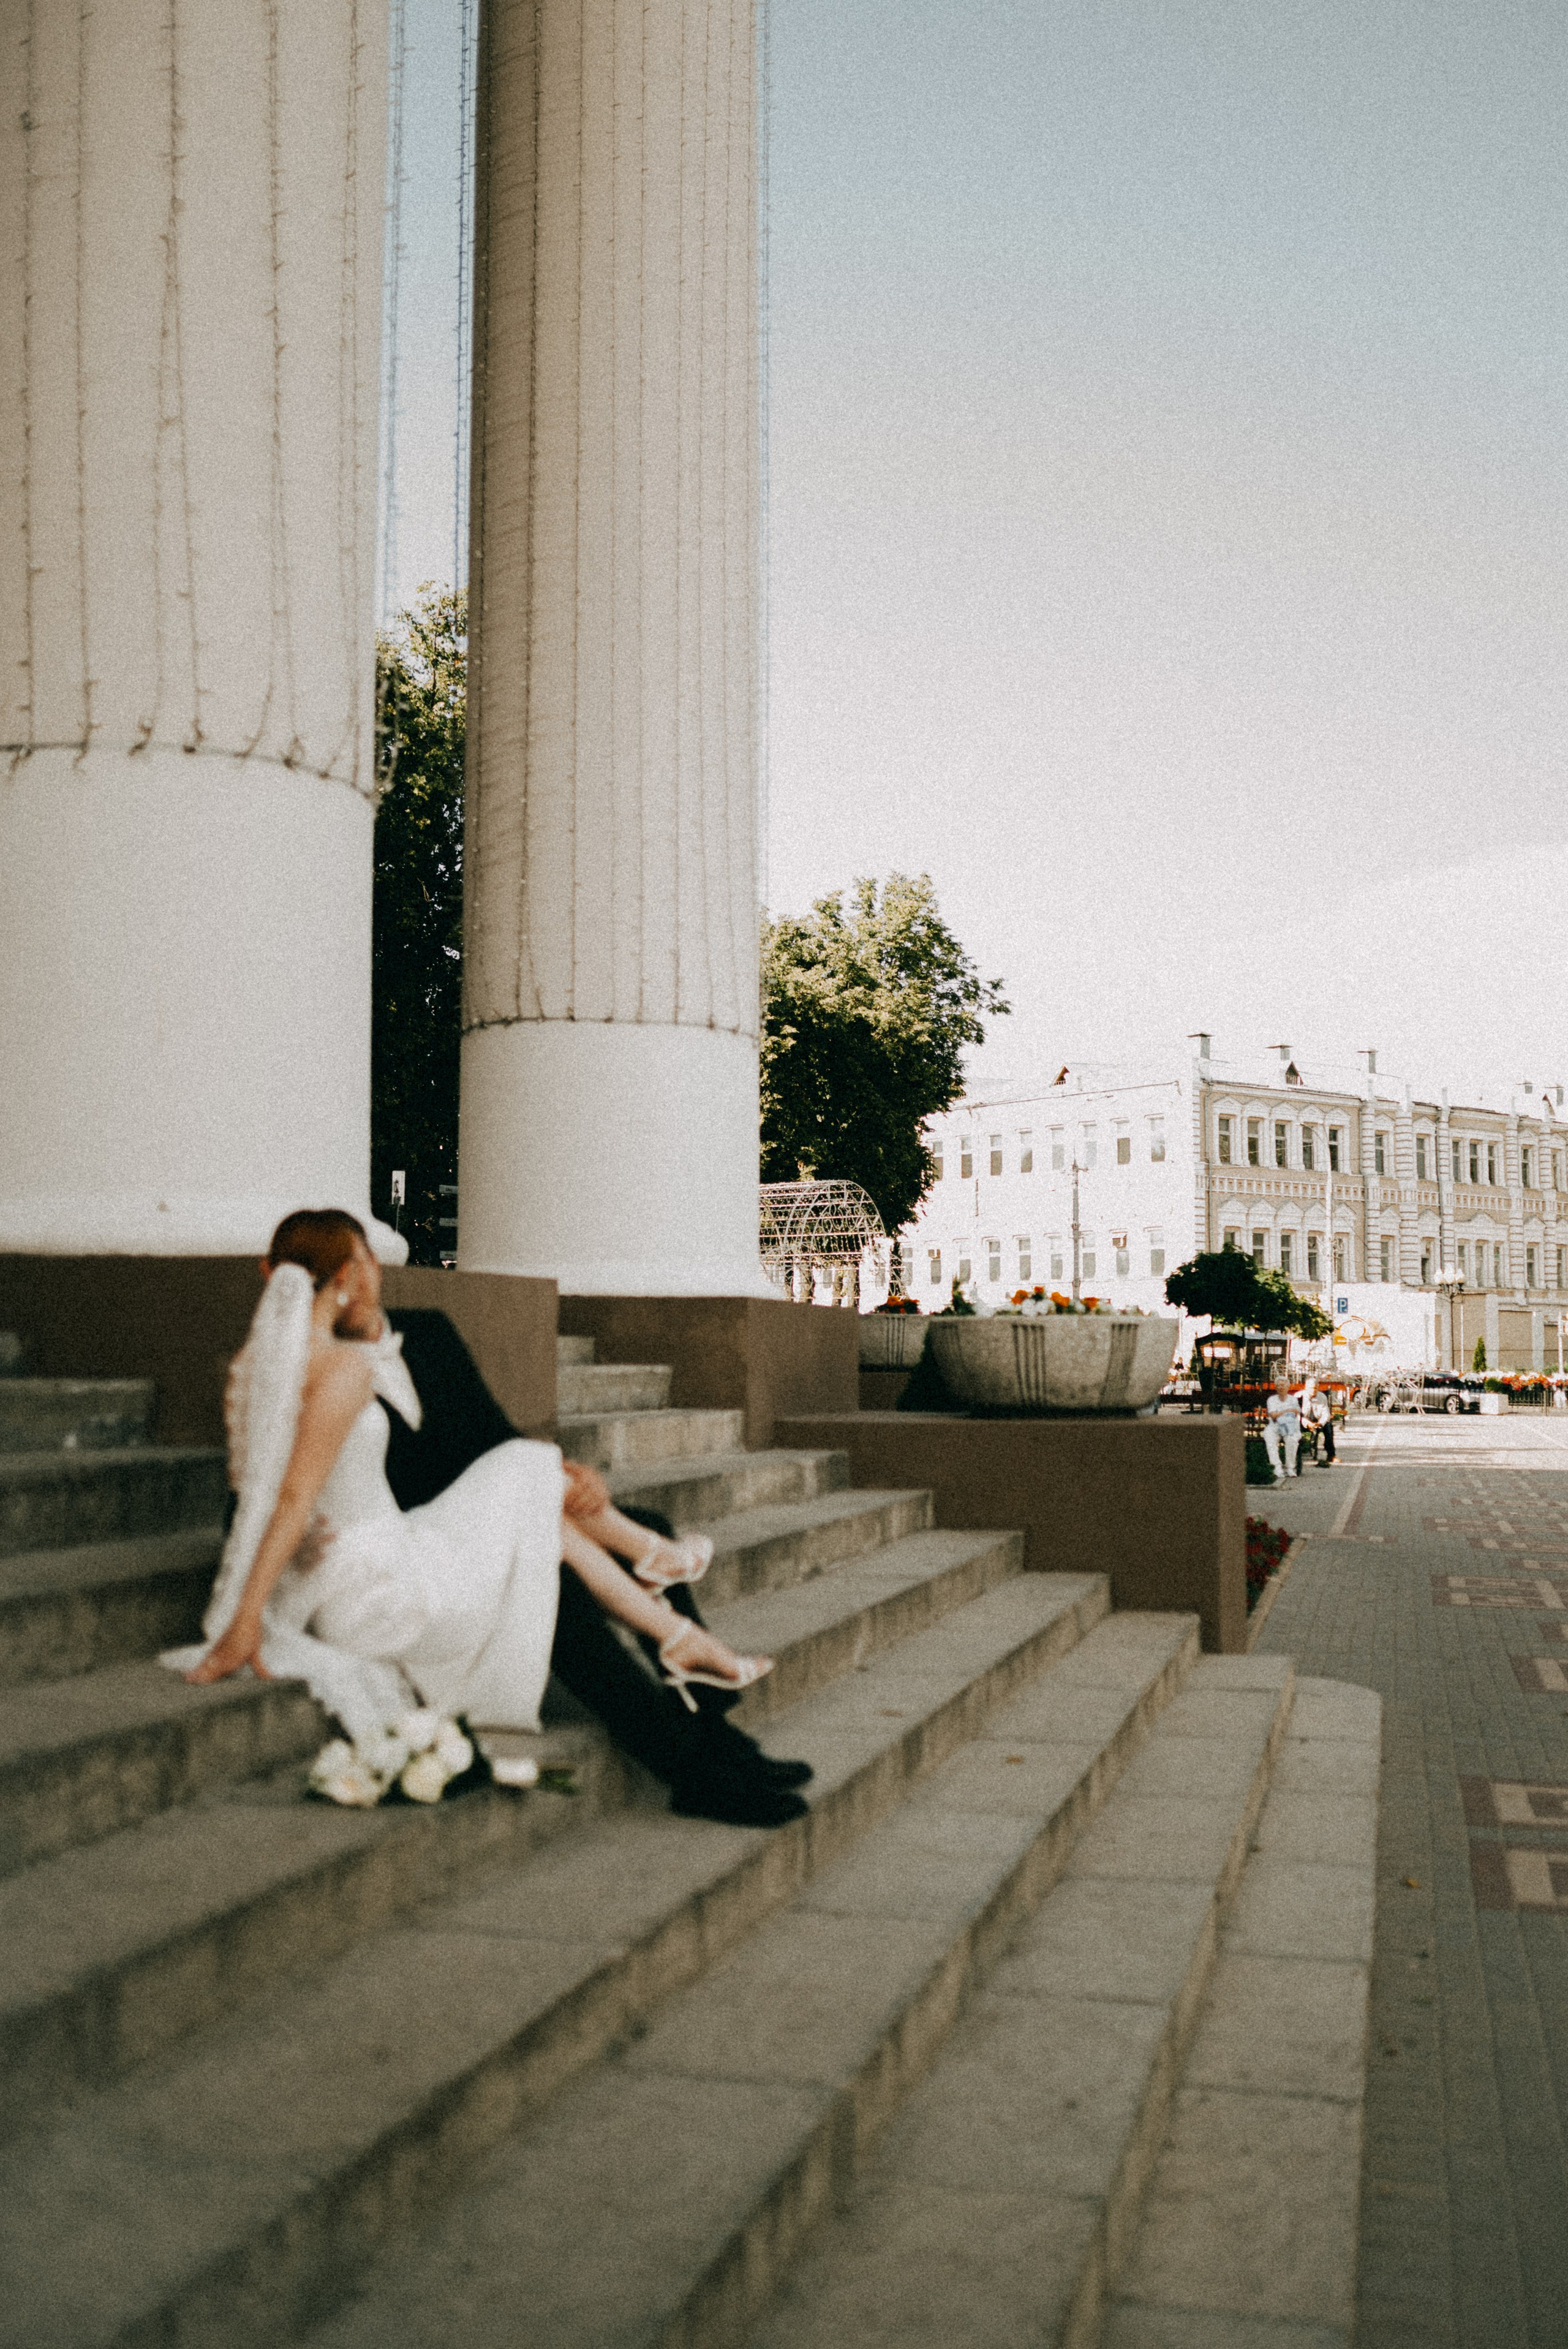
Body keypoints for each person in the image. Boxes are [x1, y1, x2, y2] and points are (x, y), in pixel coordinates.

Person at [164, 1211, 809, 1827]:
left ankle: (716, 1732)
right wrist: (293, 1547)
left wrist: (572, 1481)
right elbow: (266, 1486)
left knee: (642, 1522)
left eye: (366, 1264)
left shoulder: (432, 1333)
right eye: (346, 1269)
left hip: (468, 1518)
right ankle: (691, 1763)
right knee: (558, 1587)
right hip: (412, 1549)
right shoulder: (306, 1371)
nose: (361, 1283)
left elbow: (495, 1437)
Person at [1263, 1376, 1302, 1479]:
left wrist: (1280, 1412)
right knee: (1270, 1437)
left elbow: (1296, 1412)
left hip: (1291, 1427)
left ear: (1288, 1387)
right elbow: (1273, 1416)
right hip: (1275, 1427)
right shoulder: (1272, 1400)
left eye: (1284, 1385)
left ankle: (1290, 1467)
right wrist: (1287, 1410)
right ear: (1276, 1387)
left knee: (1292, 1440)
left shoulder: (1293, 1399)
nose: (1281, 1387)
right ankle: (1277, 1467)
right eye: (1279, 1385)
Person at [1302, 1381, 1336, 1467]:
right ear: (1307, 1388)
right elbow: (1299, 1415)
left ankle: (1331, 1455)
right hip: (1303, 1421)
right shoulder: (1300, 1397)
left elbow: (1326, 1413)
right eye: (1311, 1388)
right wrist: (1308, 1424)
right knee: (1313, 1431)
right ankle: (1313, 1455)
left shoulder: (1322, 1397)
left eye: (1315, 1388)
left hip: (1318, 1420)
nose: (1314, 1390)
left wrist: (1320, 1423)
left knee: (1328, 1428)